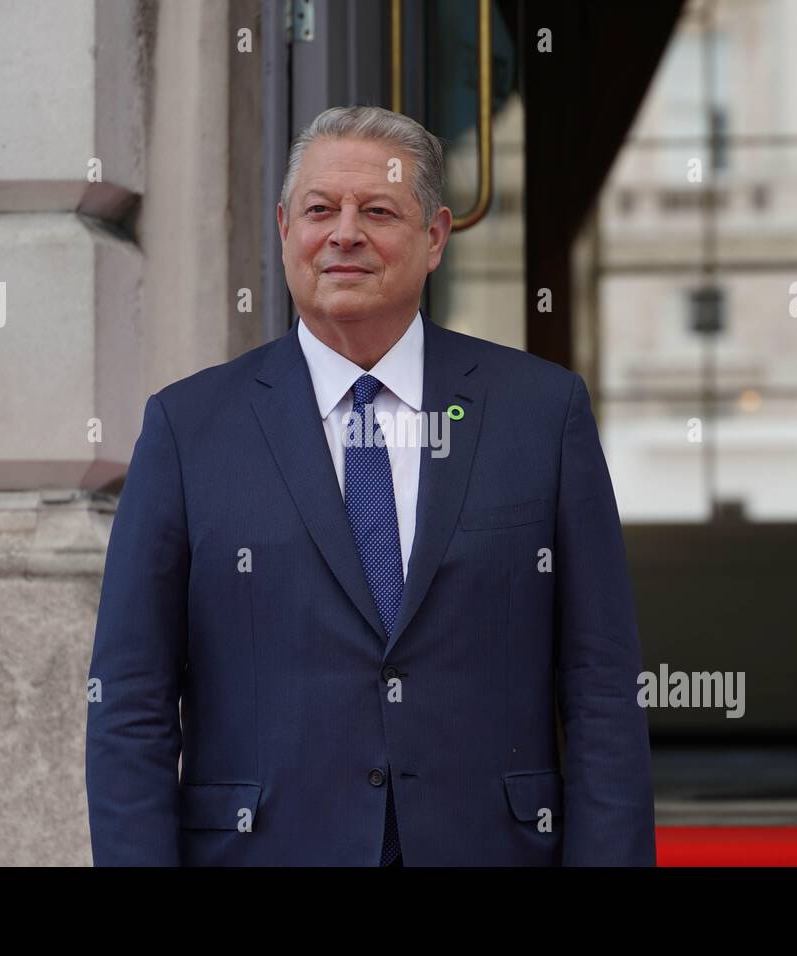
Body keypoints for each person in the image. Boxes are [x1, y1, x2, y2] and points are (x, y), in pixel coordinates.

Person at [85, 105, 655, 866]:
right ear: (287, 227)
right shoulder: (189, 429)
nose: (344, 233)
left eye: (378, 210)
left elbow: (603, 691)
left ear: (435, 237)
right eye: (320, 209)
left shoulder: (542, 414)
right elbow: (130, 702)